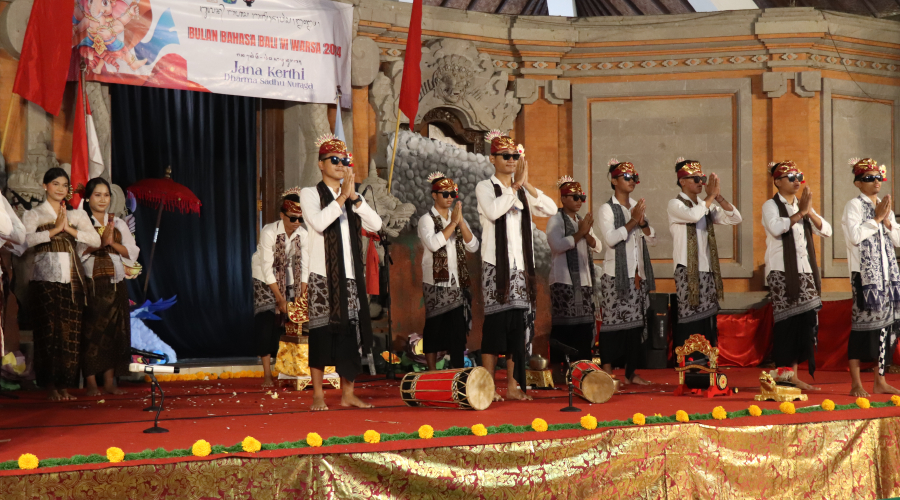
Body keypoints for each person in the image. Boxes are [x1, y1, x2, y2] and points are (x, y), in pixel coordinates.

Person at [300, 134, 382, 411]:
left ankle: (348, 394)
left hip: (349, 276)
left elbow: (377, 224)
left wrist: (354, 197)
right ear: (320, 164)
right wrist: (342, 198)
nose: (339, 164)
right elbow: (320, 222)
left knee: (350, 335)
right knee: (322, 333)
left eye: (344, 160)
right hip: (322, 275)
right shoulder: (310, 193)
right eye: (333, 160)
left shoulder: (352, 197)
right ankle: (319, 395)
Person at [476, 132, 557, 401]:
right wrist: (514, 188)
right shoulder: (485, 187)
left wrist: (527, 185)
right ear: (492, 158)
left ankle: (512, 386)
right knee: (495, 327)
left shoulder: (521, 190)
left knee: (517, 329)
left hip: (521, 268)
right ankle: (487, 387)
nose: (512, 160)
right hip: (495, 268)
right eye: (506, 156)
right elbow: (493, 211)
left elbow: (550, 209)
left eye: (515, 156)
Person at [24, 168, 101, 401]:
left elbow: (96, 240)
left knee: (70, 333)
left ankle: (64, 386)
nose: (60, 188)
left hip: (72, 281)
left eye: (64, 185)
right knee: (48, 332)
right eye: (55, 184)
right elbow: (24, 240)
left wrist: (68, 228)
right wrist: (54, 230)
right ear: (45, 185)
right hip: (44, 280)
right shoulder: (34, 214)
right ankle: (49, 385)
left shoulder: (77, 215)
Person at [762, 161, 831, 391]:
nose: (796, 181)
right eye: (790, 177)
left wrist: (808, 211)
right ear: (778, 181)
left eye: (798, 176)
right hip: (782, 272)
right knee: (787, 323)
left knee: (805, 321)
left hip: (805, 271)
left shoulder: (802, 207)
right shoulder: (770, 205)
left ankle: (794, 375)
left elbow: (826, 231)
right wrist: (801, 212)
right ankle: (784, 375)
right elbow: (776, 228)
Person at [667, 158, 742, 350]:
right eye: (695, 179)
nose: (700, 182)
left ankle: (708, 362)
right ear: (682, 181)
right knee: (690, 317)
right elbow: (693, 215)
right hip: (687, 270)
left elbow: (735, 218)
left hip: (706, 269)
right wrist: (710, 198)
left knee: (707, 319)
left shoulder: (705, 206)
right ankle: (689, 362)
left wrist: (718, 197)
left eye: (701, 178)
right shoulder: (675, 204)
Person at [841, 157, 900, 397]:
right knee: (861, 328)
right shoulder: (853, 206)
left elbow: (897, 240)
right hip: (865, 279)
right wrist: (875, 219)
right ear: (858, 183)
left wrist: (887, 222)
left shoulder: (886, 208)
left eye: (879, 177)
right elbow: (855, 236)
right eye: (869, 178)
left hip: (887, 278)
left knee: (886, 328)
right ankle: (856, 382)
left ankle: (880, 381)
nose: (876, 181)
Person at [596, 160, 657, 386]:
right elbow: (611, 239)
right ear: (614, 181)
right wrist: (632, 221)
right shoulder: (606, 209)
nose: (631, 181)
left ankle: (631, 373)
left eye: (633, 177)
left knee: (635, 326)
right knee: (613, 325)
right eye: (626, 177)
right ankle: (607, 372)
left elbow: (653, 239)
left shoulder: (635, 208)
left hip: (637, 275)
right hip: (615, 276)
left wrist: (642, 223)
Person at [78, 177, 140, 396]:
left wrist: (112, 243)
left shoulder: (117, 222)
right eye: (97, 194)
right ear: (88, 198)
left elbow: (132, 252)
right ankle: (91, 382)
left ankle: (110, 381)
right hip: (92, 285)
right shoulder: (81, 221)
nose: (103, 199)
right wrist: (99, 245)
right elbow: (78, 253)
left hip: (115, 284)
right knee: (91, 332)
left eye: (106, 195)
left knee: (115, 332)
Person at [417, 171, 478, 371]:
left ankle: (457, 371)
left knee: (457, 331)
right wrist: (453, 223)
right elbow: (434, 244)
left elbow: (473, 246)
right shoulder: (426, 219)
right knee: (434, 327)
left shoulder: (457, 218)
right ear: (434, 195)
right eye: (445, 193)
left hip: (457, 282)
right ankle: (432, 372)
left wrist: (460, 222)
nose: (450, 197)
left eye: (453, 194)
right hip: (435, 283)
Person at [250, 189, 309, 388]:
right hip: (264, 278)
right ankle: (267, 373)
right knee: (266, 322)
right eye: (293, 218)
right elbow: (268, 268)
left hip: (288, 276)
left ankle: (289, 370)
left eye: (300, 219)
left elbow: (305, 265)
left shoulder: (302, 233)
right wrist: (279, 298)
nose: (297, 223)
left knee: (288, 323)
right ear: (282, 215)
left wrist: (302, 295)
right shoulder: (269, 232)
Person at [547, 175, 601, 381]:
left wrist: (586, 233)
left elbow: (599, 246)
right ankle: (559, 369)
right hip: (563, 282)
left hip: (585, 282)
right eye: (575, 197)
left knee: (584, 327)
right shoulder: (556, 220)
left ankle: (582, 369)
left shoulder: (581, 221)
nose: (579, 201)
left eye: (582, 197)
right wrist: (580, 233)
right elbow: (557, 246)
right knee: (564, 327)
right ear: (563, 199)